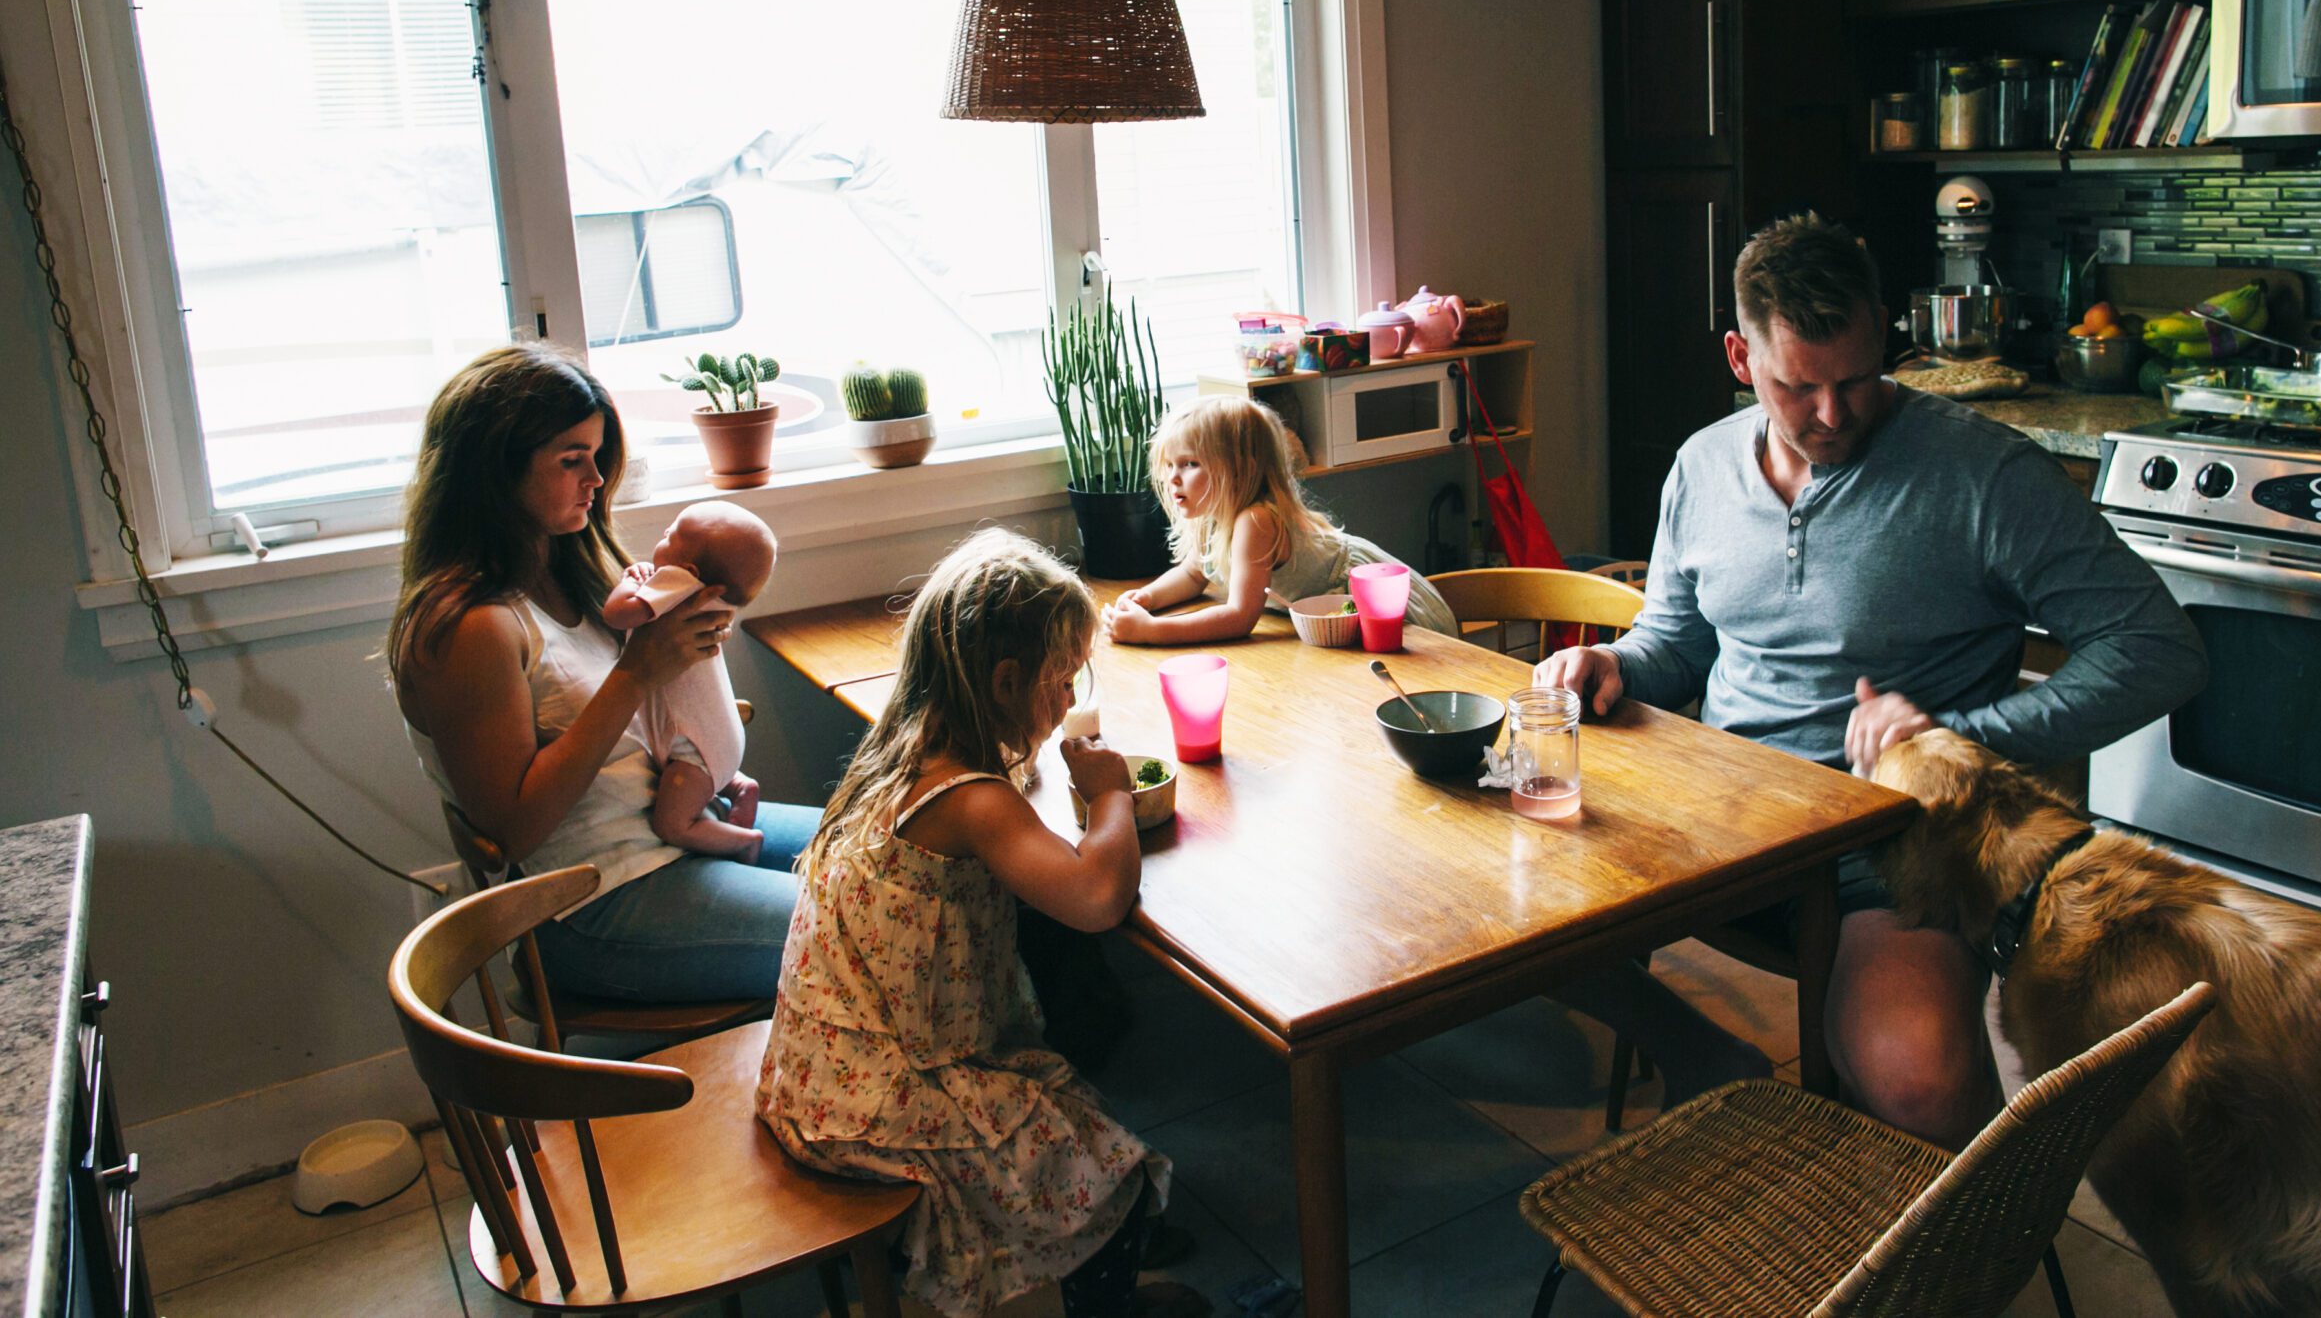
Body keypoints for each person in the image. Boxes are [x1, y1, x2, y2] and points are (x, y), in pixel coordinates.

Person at [1536, 213, 2207, 1146]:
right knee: (1506, 914)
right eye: (1795, 386)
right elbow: (1678, 645)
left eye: (1854, 378)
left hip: (1892, 844)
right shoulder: (1699, 466)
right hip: (1719, 817)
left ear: (1885, 333)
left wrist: (1957, 738)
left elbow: (2158, 648)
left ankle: (1975, 1256)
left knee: (1918, 1084)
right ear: (1740, 355)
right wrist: (1614, 663)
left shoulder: (1985, 474)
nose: (1833, 413)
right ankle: (1702, 1057)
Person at [756, 530, 1204, 1318]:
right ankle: (1096, 1294)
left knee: (1063, 1092)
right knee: (1110, 1173)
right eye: (1061, 681)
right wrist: (1109, 793)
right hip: (878, 1100)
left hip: (820, 1070)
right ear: (1005, 681)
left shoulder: (898, 752)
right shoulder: (971, 796)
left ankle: (1050, 1274)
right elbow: (1098, 898)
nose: (1069, 700)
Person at [386, 344, 822, 1004]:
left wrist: (699, 715)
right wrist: (637, 675)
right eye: (571, 460)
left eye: (597, 454)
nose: (596, 477)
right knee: (862, 926)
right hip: (591, 903)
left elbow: (652, 716)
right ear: (495, 472)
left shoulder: (576, 572)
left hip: (670, 838)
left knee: (904, 856)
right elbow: (514, 831)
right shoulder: (472, 627)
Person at [1104, 396, 1457, 645]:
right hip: (1327, 620)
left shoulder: (1255, 520)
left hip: (1372, 603)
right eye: (1169, 465)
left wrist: (1152, 631)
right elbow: (1194, 574)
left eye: (1189, 464)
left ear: (1237, 469)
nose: (1173, 478)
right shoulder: (1214, 516)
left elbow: (1240, 617)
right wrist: (1148, 599)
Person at [600, 500, 778, 863]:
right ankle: (739, 786)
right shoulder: (710, 602)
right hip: (721, 741)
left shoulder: (677, 585)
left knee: (673, 825)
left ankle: (743, 841)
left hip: (694, 753)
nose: (663, 534)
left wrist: (628, 581)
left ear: (689, 569)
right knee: (709, 777)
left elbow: (617, 615)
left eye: (672, 534)